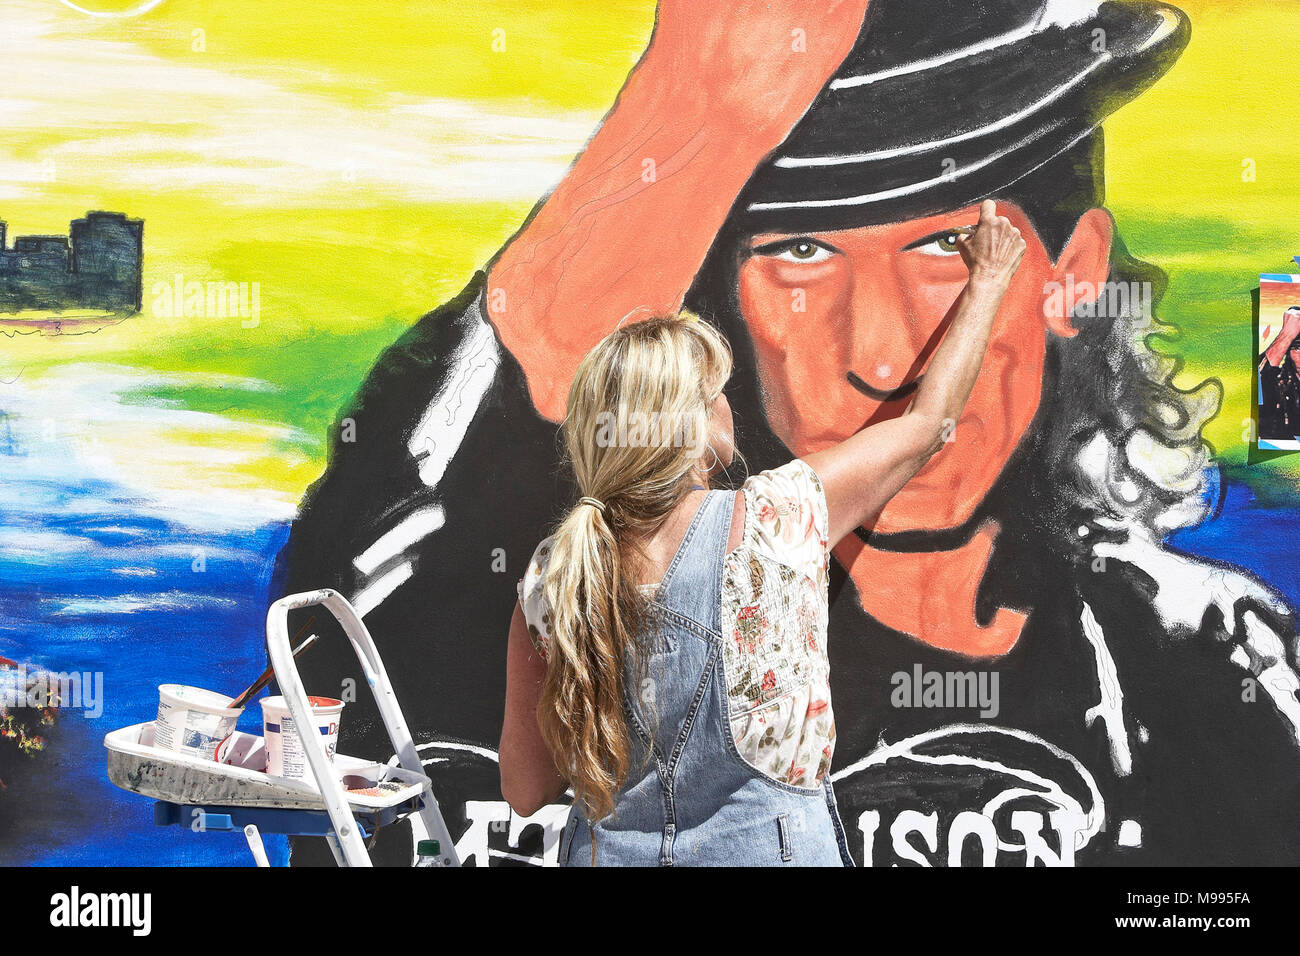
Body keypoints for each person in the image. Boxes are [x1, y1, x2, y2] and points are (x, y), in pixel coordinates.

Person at [280, 0, 1300, 866]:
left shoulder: (1202, 659)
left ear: (1071, 273)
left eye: (947, 244)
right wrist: (691, 117)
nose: (882, 351)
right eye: (802, 253)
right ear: (726, 314)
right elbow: (359, 661)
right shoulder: (716, 541)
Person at [499, 206, 1027, 865]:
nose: (729, 403)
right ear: (687, 421)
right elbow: (925, 428)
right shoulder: (775, 517)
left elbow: (524, 790)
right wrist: (989, 280)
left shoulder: (553, 572)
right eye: (715, 391)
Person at [1259, 306, 1300, 441]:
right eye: (1297, 348)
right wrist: (1287, 334)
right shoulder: (1280, 382)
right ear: (1288, 352)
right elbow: (1254, 379)